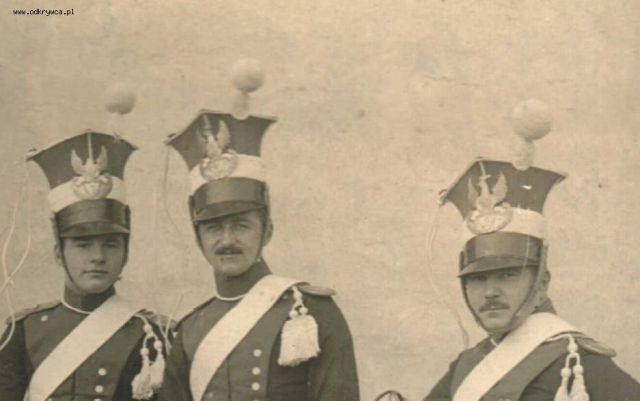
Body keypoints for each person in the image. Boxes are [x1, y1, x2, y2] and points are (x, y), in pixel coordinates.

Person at [159, 61, 360, 401]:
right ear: (198, 238)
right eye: (213, 228)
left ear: (267, 230)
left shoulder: (312, 312)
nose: (227, 240)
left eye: (241, 225)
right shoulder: (189, 332)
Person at [424, 101, 640, 400]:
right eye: (477, 278)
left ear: (542, 283)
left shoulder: (576, 361)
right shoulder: (467, 367)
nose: (490, 292)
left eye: (508, 275)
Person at [0, 131, 169, 401]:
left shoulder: (151, 336)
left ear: (126, 252)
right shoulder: (24, 332)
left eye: (111, 244)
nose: (98, 257)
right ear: (59, 252)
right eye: (82, 244)